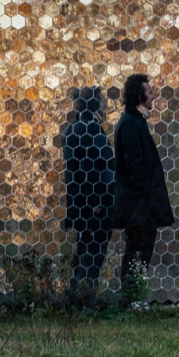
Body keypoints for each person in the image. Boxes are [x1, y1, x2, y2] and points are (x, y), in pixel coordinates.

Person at [110, 72, 174, 303]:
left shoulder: (135, 122)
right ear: (139, 96)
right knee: (137, 253)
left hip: (142, 205)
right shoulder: (129, 124)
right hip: (138, 206)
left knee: (142, 254)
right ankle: (130, 299)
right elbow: (135, 166)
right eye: (150, 92)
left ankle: (134, 298)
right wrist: (147, 195)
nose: (153, 96)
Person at [61, 86, 114, 302]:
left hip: (78, 204)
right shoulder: (92, 129)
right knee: (94, 251)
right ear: (96, 105)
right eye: (102, 101)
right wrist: (100, 199)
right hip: (95, 205)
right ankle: (86, 298)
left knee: (82, 249)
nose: (105, 105)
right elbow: (99, 166)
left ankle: (74, 294)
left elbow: (74, 171)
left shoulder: (72, 128)